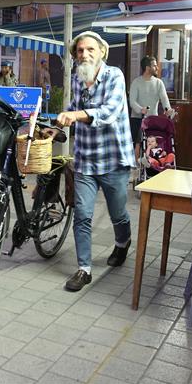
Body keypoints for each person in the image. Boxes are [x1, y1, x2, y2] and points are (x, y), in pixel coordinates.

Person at [56, 31, 135, 292]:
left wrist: (74, 115)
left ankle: (123, 243)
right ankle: (84, 269)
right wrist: (56, 129)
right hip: (86, 160)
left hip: (113, 159)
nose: (84, 54)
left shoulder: (115, 76)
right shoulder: (79, 79)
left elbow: (109, 112)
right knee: (83, 215)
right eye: (80, 51)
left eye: (90, 49)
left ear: (102, 51)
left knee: (118, 213)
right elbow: (72, 108)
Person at [129, 55, 174, 158]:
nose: (157, 68)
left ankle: (150, 166)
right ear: (147, 68)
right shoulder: (136, 82)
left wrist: (168, 110)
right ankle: (136, 167)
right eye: (154, 65)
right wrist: (141, 110)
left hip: (152, 120)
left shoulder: (159, 83)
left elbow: (165, 100)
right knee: (137, 143)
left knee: (152, 144)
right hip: (137, 118)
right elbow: (132, 101)